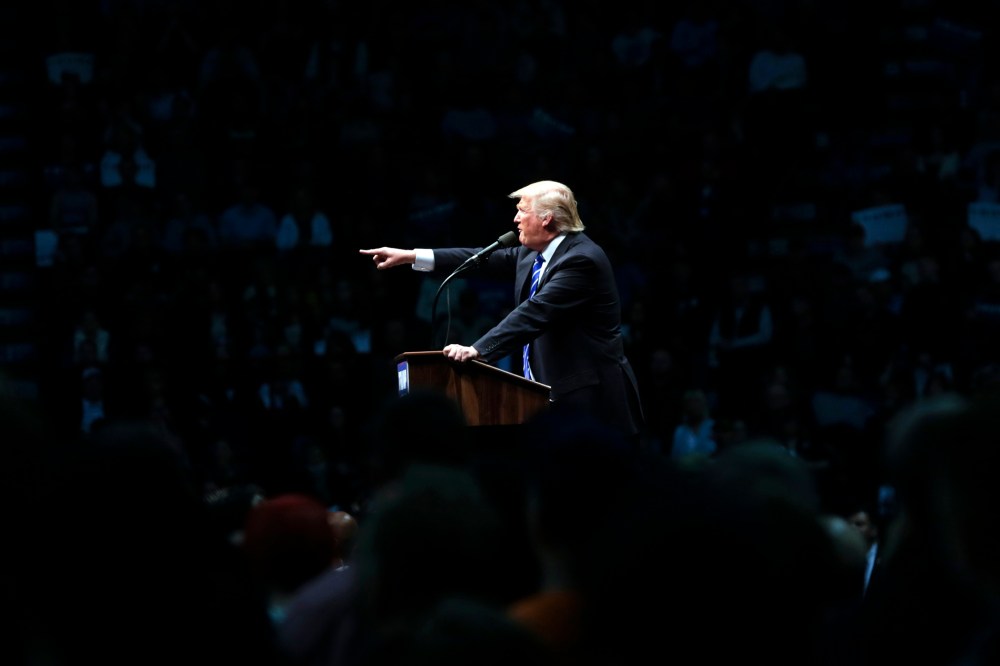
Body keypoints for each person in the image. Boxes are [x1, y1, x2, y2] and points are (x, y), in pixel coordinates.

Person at [359, 180, 644, 442]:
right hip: (553, 397)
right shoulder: (534, 252)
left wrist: (478, 350)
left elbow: (535, 312)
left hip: (591, 399)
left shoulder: (581, 260)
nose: (515, 219)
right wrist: (411, 256)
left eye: (522, 211)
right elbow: (478, 259)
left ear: (547, 218)